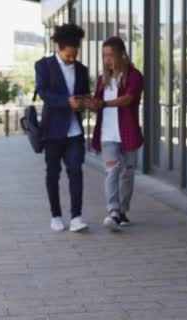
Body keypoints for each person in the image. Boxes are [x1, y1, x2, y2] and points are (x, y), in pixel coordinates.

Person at [35, 24, 90, 232]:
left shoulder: (82, 70)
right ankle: (56, 215)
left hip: (75, 131)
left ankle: (76, 217)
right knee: (53, 173)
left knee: (76, 171)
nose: (71, 59)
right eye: (68, 56)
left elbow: (84, 94)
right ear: (60, 48)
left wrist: (87, 103)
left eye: (74, 56)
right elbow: (43, 92)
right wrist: (66, 102)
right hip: (53, 131)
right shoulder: (44, 65)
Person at [85, 36, 144, 231]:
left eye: (111, 55)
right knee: (111, 171)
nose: (108, 59)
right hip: (107, 134)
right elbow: (98, 103)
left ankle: (123, 211)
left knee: (127, 172)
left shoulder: (135, 76)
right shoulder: (103, 79)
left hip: (127, 132)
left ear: (121, 54)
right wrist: (90, 104)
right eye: (104, 56)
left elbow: (128, 99)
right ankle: (113, 211)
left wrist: (104, 104)